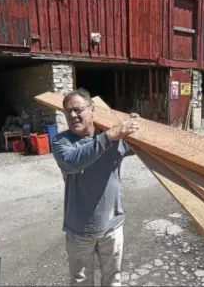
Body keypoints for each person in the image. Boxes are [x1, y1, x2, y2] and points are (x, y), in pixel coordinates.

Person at [51, 88, 140, 286]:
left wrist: (138, 127)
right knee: (81, 281)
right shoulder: (62, 141)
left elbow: (141, 146)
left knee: (112, 278)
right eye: (68, 111)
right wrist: (109, 136)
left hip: (112, 226)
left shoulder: (115, 138)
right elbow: (73, 162)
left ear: (92, 110)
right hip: (79, 230)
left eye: (78, 109)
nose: (73, 115)